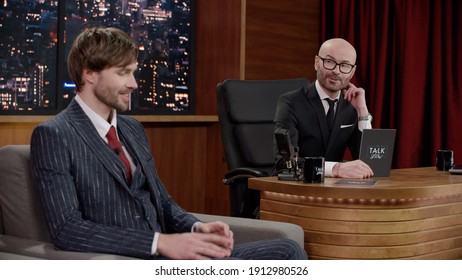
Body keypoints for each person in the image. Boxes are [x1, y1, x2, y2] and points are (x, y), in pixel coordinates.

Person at [30, 26, 307, 260]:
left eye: (134, 72)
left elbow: (162, 202)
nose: (134, 84)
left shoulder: (132, 128)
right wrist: (160, 243)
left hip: (171, 258)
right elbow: (67, 229)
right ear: (90, 73)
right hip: (128, 261)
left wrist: (197, 228)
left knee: (286, 250)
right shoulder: (55, 135)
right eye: (123, 73)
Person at [274, 38, 374, 179]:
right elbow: (286, 164)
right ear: (317, 63)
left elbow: (369, 162)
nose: (336, 71)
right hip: (296, 188)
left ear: (352, 72)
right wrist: (335, 169)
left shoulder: (352, 106)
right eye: (329, 62)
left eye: (345, 66)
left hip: (334, 191)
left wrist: (363, 112)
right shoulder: (290, 103)